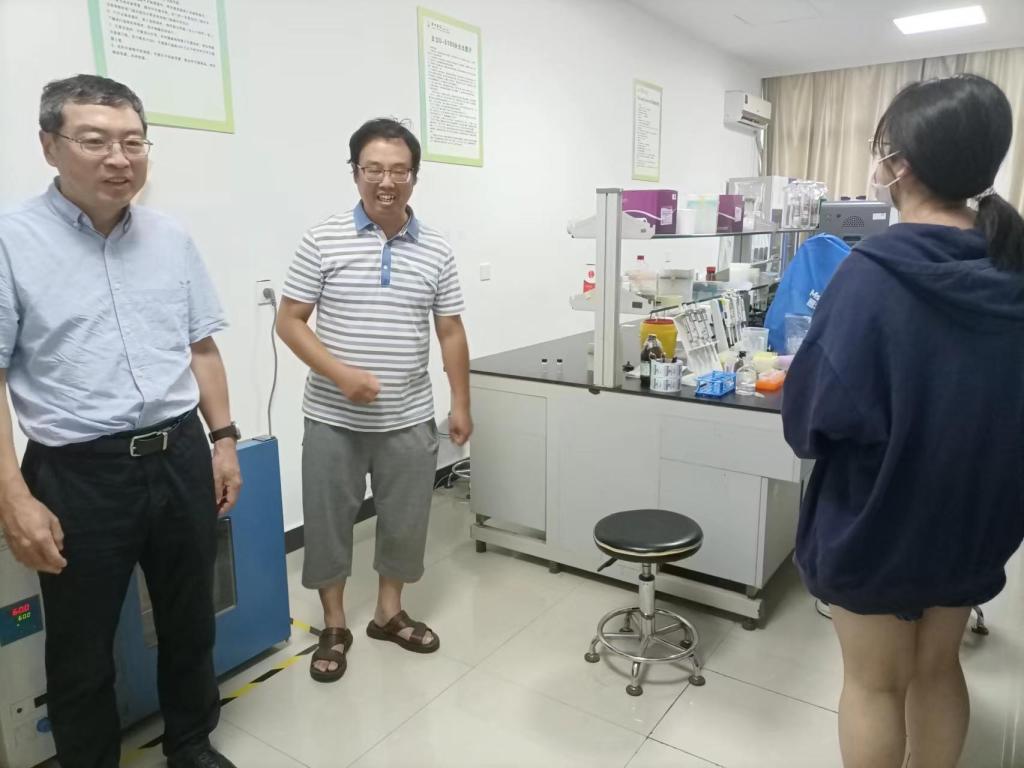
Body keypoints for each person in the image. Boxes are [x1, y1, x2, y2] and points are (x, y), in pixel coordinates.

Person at [782, 74, 1024, 768]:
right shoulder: (1012, 268)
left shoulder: (871, 275)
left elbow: (811, 423)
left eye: (882, 148)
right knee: (939, 668)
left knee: (874, 685)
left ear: (901, 164)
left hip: (878, 518)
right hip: (975, 515)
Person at [0, 75, 242, 768]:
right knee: (82, 646)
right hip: (78, 472)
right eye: (95, 140)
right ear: (50, 146)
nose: (119, 158)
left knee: (190, 619)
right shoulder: (11, 241)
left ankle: (190, 744)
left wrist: (224, 440)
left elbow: (201, 346)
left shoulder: (170, 236)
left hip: (181, 454)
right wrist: (13, 497)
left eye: (134, 142)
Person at [277, 118, 471, 682]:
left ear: (415, 176)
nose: (386, 182)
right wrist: (340, 375)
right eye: (374, 169)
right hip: (332, 416)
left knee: (406, 519)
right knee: (328, 521)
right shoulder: (322, 238)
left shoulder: (436, 248)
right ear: (356, 172)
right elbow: (290, 322)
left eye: (399, 171)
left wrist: (460, 403)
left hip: (409, 416)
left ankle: (389, 612)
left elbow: (450, 330)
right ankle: (334, 623)